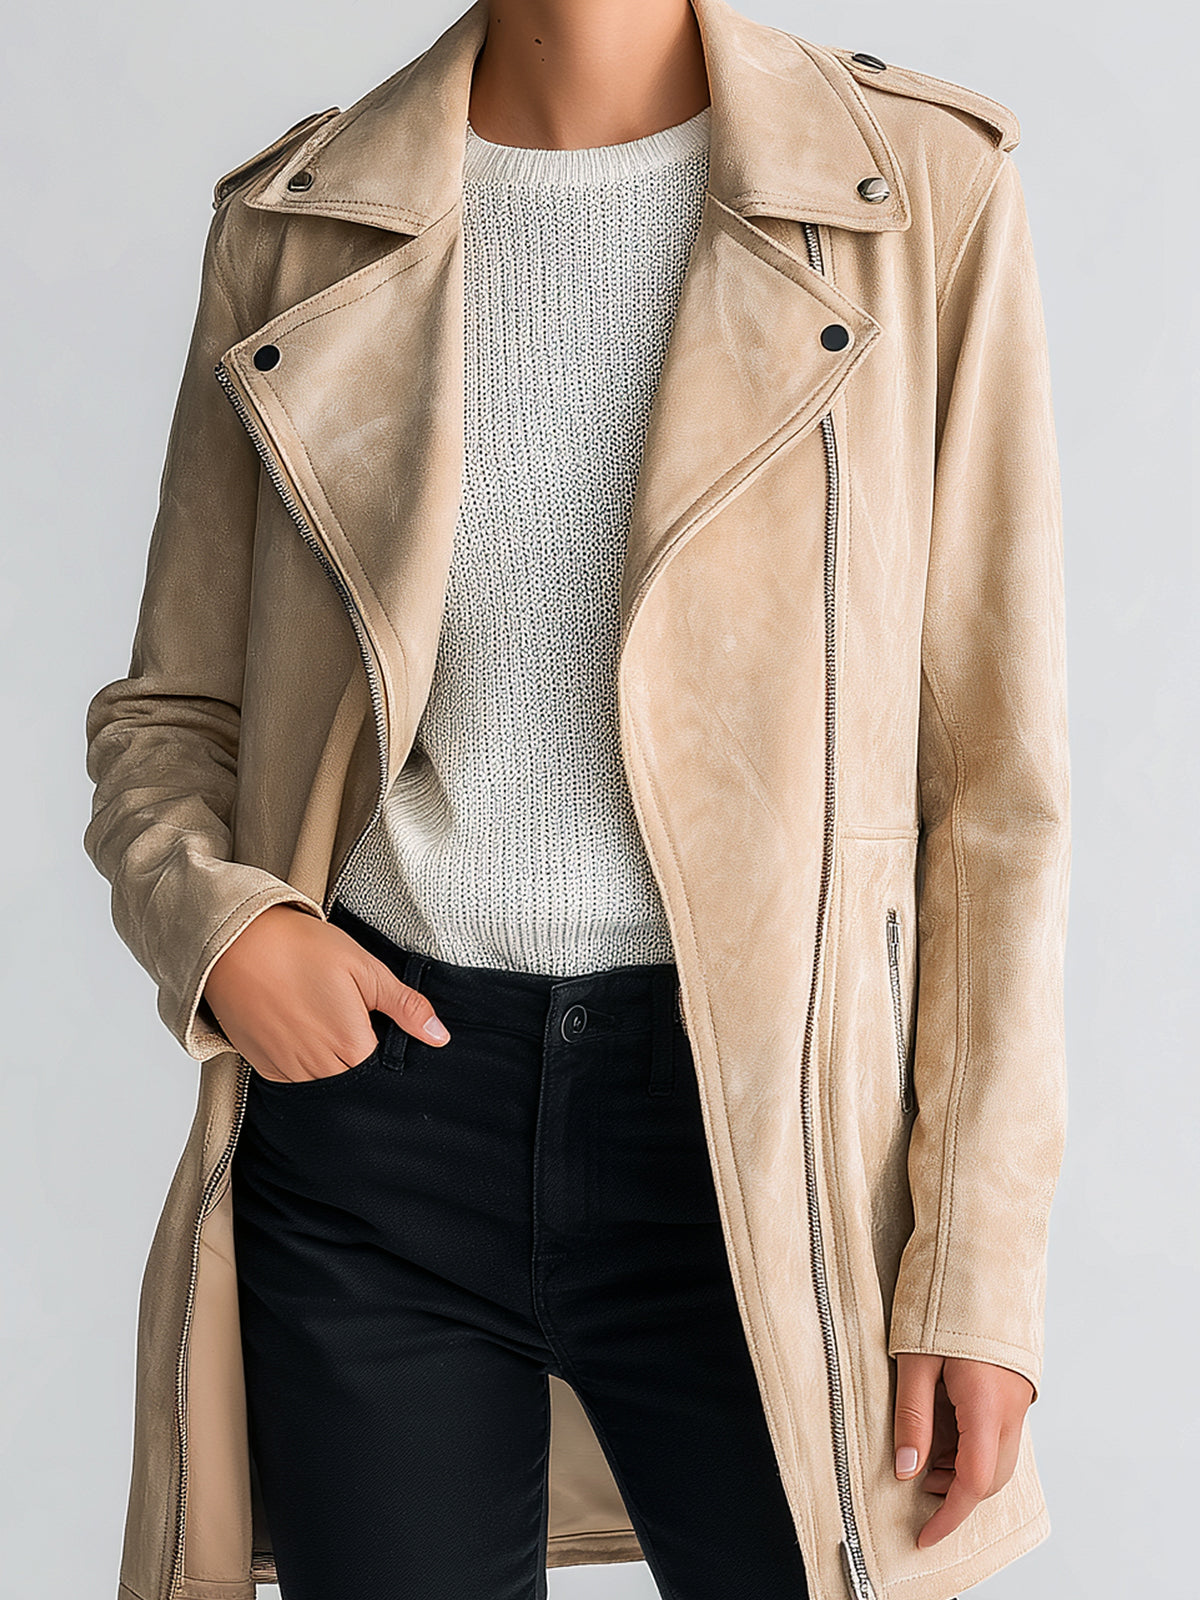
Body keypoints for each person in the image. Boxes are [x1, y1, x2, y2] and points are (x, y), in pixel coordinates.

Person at [83, 0, 1070, 1597]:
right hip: (375, 1137)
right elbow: (174, 712)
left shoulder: (913, 189)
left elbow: (997, 790)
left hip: (765, 1140)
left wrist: (975, 1263)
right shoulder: (299, 224)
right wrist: (221, 927)